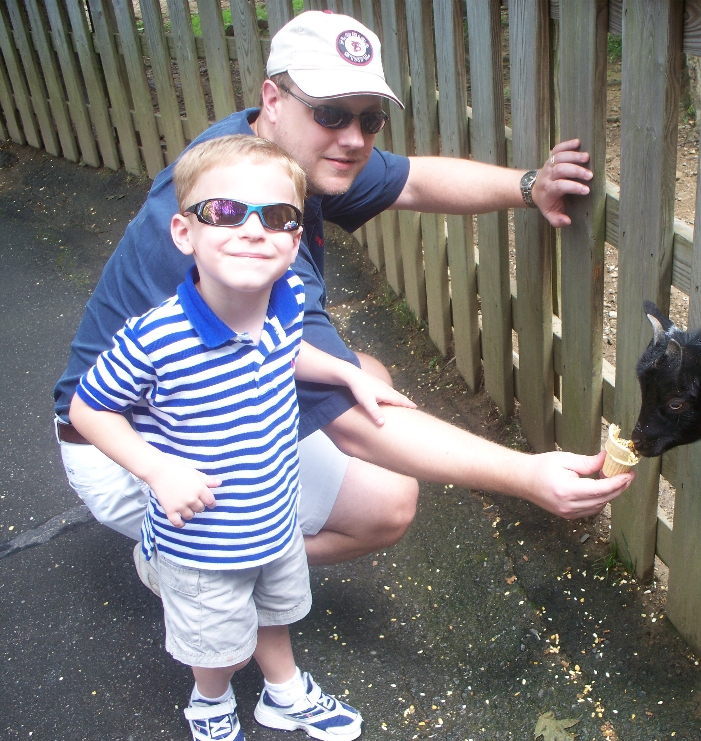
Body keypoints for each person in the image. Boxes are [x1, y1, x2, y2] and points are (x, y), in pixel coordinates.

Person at [53, 11, 632, 592]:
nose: (353, 138)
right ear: (273, 99)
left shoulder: (271, 159)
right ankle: (196, 568)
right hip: (130, 441)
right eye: (329, 113)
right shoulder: (239, 232)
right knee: (389, 502)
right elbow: (355, 428)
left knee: (367, 374)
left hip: (202, 397)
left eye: (369, 118)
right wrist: (527, 475)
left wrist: (530, 187)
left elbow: (412, 180)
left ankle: (226, 557)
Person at [69, 136, 417, 741]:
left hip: (272, 518)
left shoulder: (283, 302)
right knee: (218, 647)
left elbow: (288, 350)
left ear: (294, 240)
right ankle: (210, 703)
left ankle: (283, 694)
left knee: (274, 613)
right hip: (202, 538)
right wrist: (157, 469)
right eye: (225, 212)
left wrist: (347, 373)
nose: (254, 230)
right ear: (184, 232)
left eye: (278, 216)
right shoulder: (156, 338)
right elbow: (87, 409)